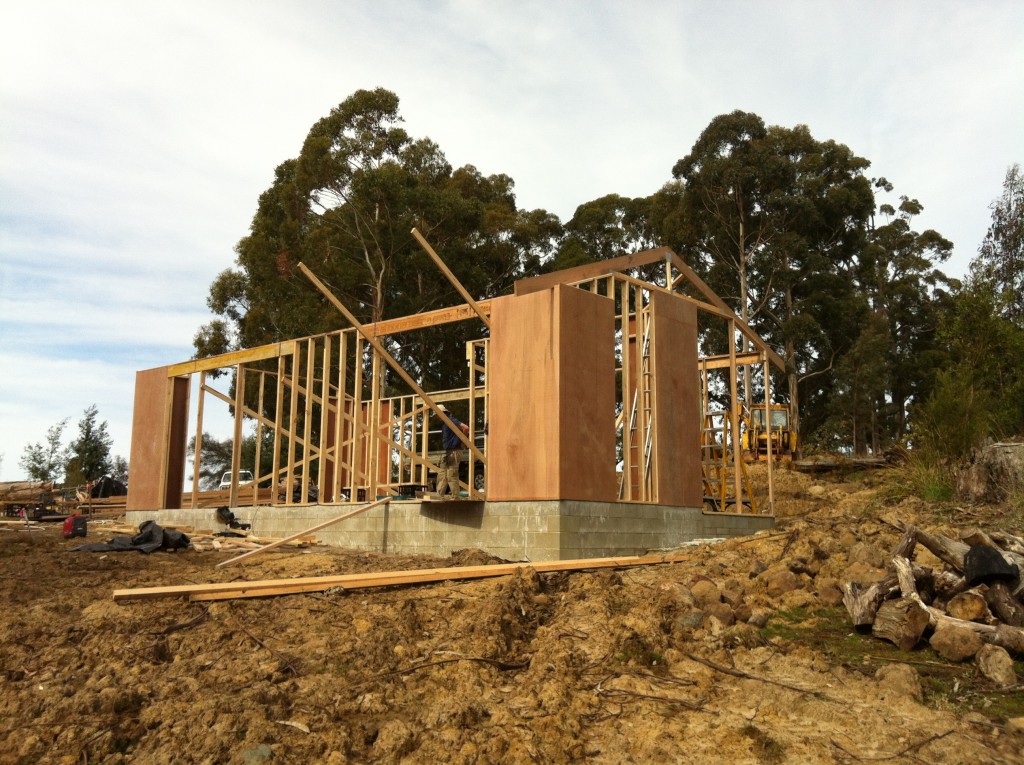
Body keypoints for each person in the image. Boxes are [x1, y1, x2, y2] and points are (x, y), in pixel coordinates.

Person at [435, 405, 470, 498]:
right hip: (448, 451)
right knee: (442, 474)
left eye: (437, 415)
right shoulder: (445, 423)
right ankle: (439, 495)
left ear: (442, 413)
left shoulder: (450, 420)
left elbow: (466, 428)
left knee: (451, 474)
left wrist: (463, 441)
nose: (436, 417)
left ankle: (455, 497)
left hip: (454, 450)